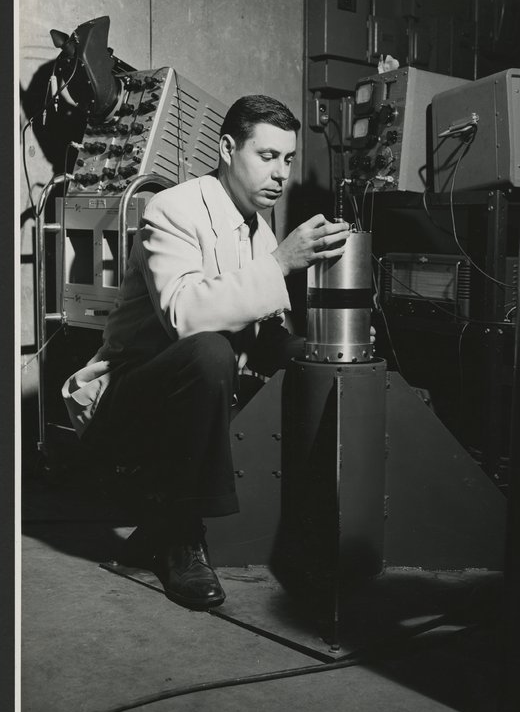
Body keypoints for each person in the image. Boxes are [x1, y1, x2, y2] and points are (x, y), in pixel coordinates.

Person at [62, 94, 351, 611]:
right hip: (123, 409)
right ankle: (180, 534)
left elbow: (258, 331)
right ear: (225, 148)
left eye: (287, 159)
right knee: (209, 353)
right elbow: (186, 318)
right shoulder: (173, 208)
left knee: (305, 357)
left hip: (193, 402)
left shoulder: (259, 229)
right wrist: (282, 264)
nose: (281, 173)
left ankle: (308, 514)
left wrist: (318, 354)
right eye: (266, 156)